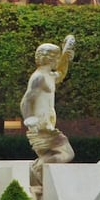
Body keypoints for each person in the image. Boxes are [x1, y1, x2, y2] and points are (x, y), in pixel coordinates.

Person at [21, 35, 76, 186]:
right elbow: (26, 100)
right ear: (51, 59)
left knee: (57, 154)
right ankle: (37, 169)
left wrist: (65, 58)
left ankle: (38, 181)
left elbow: (61, 74)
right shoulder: (38, 77)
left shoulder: (48, 75)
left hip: (47, 126)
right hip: (41, 127)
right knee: (67, 153)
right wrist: (30, 121)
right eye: (57, 58)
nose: (58, 61)